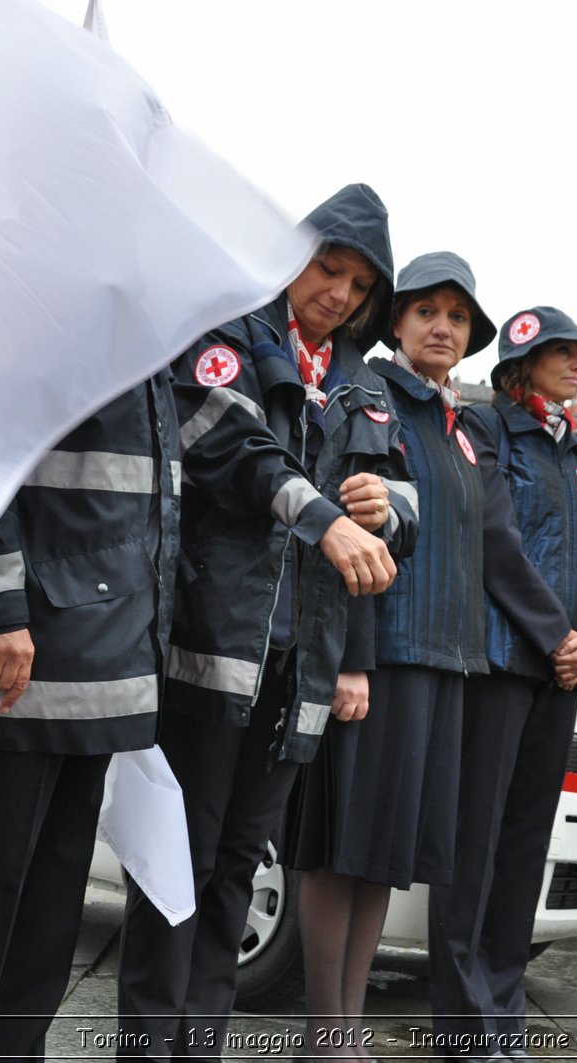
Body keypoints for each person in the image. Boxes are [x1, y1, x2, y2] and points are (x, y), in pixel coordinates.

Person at [0, 360, 388, 1059]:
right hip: (13, 664)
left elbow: (206, 463)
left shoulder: (143, 347)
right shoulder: (33, 311)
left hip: (97, 670)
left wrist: (326, 517)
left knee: (42, 931)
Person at [117, 183, 414, 1062]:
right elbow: (224, 444)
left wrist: (385, 503)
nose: (341, 295)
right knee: (176, 869)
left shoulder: (364, 383)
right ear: (295, 254)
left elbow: (406, 499)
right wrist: (326, 512)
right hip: (212, 650)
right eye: (330, 268)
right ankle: (145, 1046)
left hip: (302, 670)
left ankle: (197, 1047)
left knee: (238, 872)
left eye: (361, 286)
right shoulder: (232, 333)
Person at [286, 251, 496, 1058]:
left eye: (457, 316)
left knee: (382, 854)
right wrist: (351, 656)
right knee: (341, 844)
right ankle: (324, 1032)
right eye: (426, 312)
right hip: (380, 650)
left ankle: (346, 1031)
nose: (443, 327)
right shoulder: (375, 398)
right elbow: (355, 534)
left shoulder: (457, 424)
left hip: (442, 660)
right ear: (397, 322)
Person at [427, 306, 577, 1060]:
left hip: (560, 676)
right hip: (504, 663)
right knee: (474, 846)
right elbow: (493, 542)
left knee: (524, 848)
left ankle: (502, 1015)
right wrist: (556, 634)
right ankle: (463, 1024)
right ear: (520, 364)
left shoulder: (575, 451)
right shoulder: (488, 430)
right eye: (563, 353)